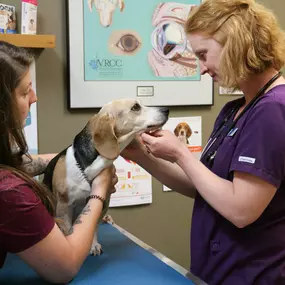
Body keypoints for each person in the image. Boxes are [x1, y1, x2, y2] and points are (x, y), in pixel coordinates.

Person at [121, 0, 285, 284]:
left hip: (254, 274)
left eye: (204, 54)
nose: (201, 68)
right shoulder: (234, 110)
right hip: (217, 270)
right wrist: (142, 155)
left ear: (234, 42)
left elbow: (241, 210)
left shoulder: (273, 109)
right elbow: (204, 187)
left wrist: (181, 154)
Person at [0, 41, 118, 284]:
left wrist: (68, 161)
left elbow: (19, 162)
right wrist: (99, 192)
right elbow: (65, 267)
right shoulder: (9, 193)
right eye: (24, 92)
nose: (34, 98)